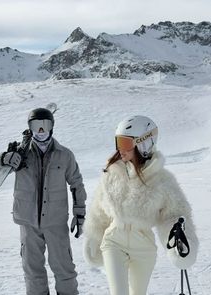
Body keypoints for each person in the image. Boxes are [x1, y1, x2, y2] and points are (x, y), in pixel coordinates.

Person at [83, 115, 198, 295]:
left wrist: (181, 241)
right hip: (114, 240)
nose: (121, 149)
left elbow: (176, 214)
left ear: (144, 143)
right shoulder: (111, 173)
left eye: (126, 143)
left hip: (143, 246)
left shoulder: (162, 181)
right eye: (118, 142)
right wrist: (94, 236)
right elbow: (99, 209)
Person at [0, 107, 87, 295]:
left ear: (52, 126)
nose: (40, 131)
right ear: (29, 127)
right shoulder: (20, 154)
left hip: (55, 222)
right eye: (36, 126)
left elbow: (77, 184)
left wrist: (79, 213)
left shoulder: (64, 155)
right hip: (28, 222)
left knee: (64, 269)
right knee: (33, 271)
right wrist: (3, 159)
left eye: (45, 125)